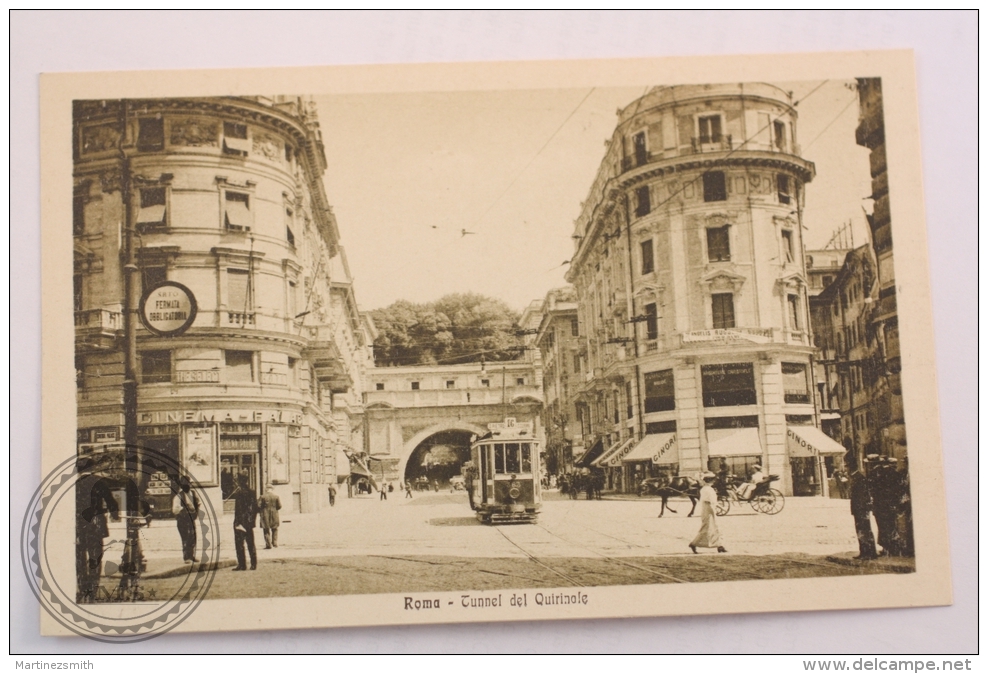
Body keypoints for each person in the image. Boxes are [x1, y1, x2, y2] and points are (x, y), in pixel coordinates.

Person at [76, 468, 119, 601]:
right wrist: (114, 514)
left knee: (80, 556)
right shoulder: (99, 482)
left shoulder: (75, 484)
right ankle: (93, 588)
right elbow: (111, 501)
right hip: (96, 524)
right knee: (95, 555)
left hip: (79, 524)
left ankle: (82, 586)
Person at [847, 455, 878, 560]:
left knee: (864, 530)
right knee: (862, 530)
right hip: (859, 510)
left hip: (861, 509)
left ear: (850, 468)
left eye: (847, 467)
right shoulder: (858, 478)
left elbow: (861, 496)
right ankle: (865, 552)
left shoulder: (859, 478)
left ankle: (868, 553)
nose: (846, 469)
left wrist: (861, 510)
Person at [689, 472, 727, 554]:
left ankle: (720, 546)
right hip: (708, 510)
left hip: (709, 509)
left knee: (715, 528)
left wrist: (718, 507)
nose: (714, 482)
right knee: (707, 528)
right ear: (709, 481)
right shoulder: (707, 489)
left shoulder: (707, 489)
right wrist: (716, 509)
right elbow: (709, 501)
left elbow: (712, 501)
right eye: (712, 480)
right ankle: (693, 544)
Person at [171, 476, 200, 563]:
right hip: (182, 520)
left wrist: (194, 510)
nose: (187, 486)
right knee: (185, 537)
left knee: (192, 537)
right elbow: (175, 509)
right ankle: (186, 557)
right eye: (185, 484)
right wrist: (185, 509)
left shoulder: (193, 494)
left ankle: (192, 556)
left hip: (191, 519)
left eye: (188, 484)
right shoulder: (178, 496)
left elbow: (198, 503)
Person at [232, 474, 258, 571]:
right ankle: (253, 564)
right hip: (249, 523)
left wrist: (237, 523)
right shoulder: (252, 492)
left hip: (240, 523)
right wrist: (252, 522)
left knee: (239, 545)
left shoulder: (239, 493)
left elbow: (238, 510)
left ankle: (242, 565)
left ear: (239, 482)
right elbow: (255, 508)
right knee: (251, 543)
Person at [258, 484, 282, 549]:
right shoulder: (276, 497)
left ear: (266, 489)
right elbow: (279, 506)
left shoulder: (262, 497)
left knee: (266, 529)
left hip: (265, 514)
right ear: (272, 489)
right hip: (274, 514)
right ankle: (275, 543)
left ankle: (268, 545)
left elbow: (258, 506)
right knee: (275, 529)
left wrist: (262, 510)